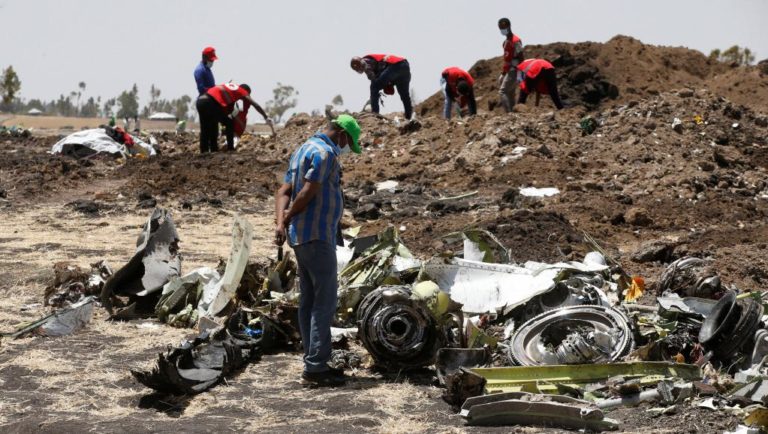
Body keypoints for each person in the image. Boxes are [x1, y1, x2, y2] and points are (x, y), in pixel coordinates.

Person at [274, 114, 362, 387]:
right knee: (324, 301)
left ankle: (312, 360)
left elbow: (283, 190)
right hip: (316, 235)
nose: (348, 149)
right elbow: (309, 191)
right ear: (342, 135)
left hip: (301, 237)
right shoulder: (326, 154)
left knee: (309, 301)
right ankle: (315, 368)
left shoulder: (303, 149)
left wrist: (281, 223)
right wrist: (287, 218)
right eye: (350, 142)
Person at [195, 82, 271, 152]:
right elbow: (255, 105)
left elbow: (225, 108)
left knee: (205, 128)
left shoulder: (231, 88)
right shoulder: (242, 91)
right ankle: (230, 149)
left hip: (201, 101)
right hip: (210, 102)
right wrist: (265, 117)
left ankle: (204, 152)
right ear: (246, 90)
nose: (243, 98)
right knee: (229, 122)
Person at [350, 54, 413, 120]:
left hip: (395, 66)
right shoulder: (370, 62)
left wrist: (376, 92)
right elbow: (381, 75)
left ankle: (375, 114)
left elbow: (374, 81)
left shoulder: (366, 62)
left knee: (374, 87)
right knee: (404, 95)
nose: (362, 68)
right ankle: (409, 117)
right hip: (405, 66)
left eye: (360, 67)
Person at [497, 18, 524, 112]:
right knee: (510, 93)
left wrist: (520, 72)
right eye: (500, 28)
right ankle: (513, 113)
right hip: (509, 69)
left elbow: (521, 56)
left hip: (515, 69)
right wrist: (504, 72)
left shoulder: (515, 41)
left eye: (503, 27)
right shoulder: (505, 42)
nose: (502, 30)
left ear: (509, 26)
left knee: (502, 91)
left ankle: (509, 113)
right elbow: (506, 59)